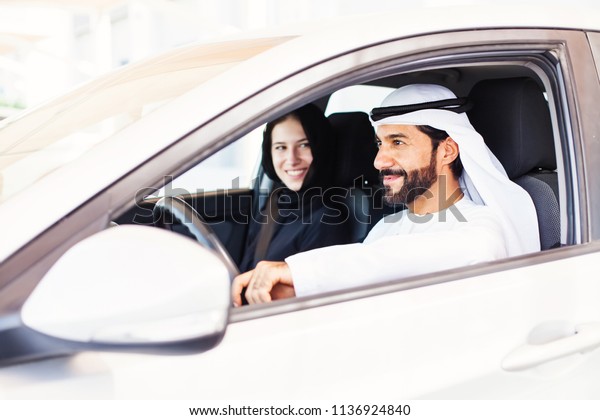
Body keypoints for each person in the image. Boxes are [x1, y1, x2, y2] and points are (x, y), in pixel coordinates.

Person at [232, 84, 540, 306]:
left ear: (446, 150)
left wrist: (295, 274)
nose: (379, 161)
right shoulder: (386, 227)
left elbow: (386, 263)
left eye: (398, 143)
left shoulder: (483, 230)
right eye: (380, 144)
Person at [237, 103, 351, 274]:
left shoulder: (327, 219)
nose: (292, 159)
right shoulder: (276, 203)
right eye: (281, 147)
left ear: (321, 147)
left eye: (304, 145)